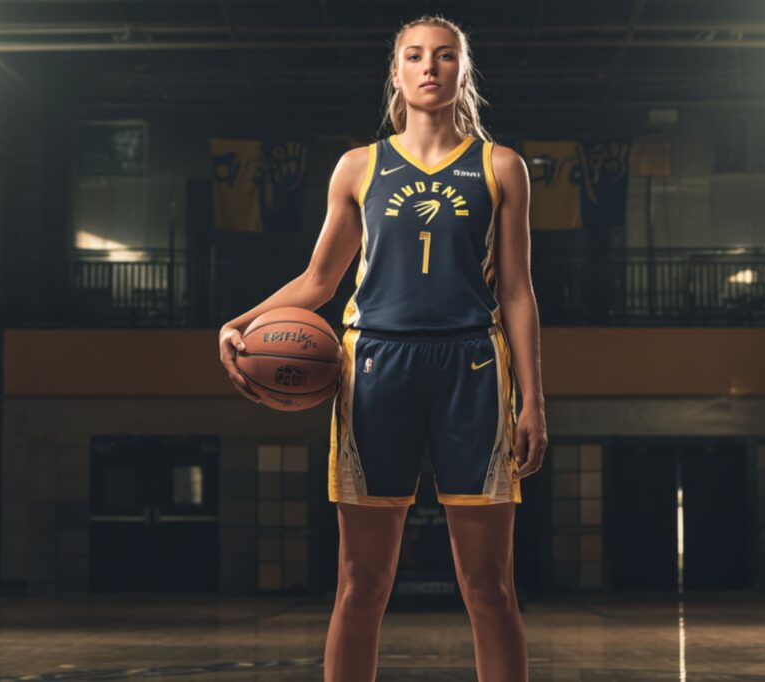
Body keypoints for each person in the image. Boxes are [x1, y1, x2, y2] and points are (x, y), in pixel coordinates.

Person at [218, 14, 547, 682]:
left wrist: (534, 402)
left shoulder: (501, 166)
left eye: (445, 56)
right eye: (416, 56)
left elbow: (517, 291)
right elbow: (318, 280)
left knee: (490, 588)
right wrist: (242, 323)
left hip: (474, 369)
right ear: (396, 73)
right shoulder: (359, 167)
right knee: (359, 586)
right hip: (373, 368)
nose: (431, 67)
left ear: (463, 71)